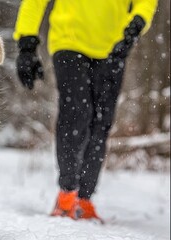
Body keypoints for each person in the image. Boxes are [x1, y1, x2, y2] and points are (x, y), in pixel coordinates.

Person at [14, 0, 157, 220]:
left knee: (101, 122)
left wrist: (136, 25)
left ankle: (84, 198)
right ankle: (67, 194)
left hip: (114, 47)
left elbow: (146, 2)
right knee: (76, 113)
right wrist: (26, 43)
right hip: (69, 41)